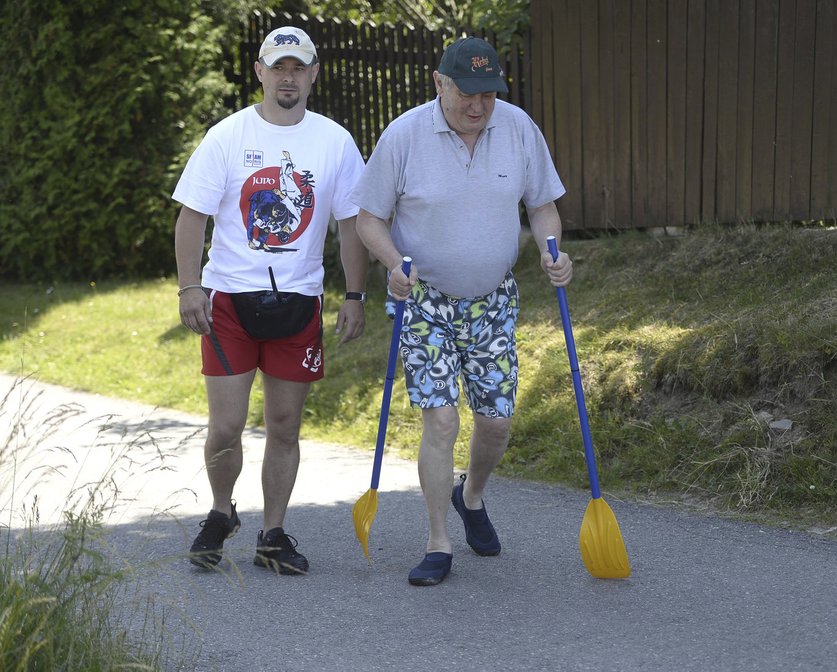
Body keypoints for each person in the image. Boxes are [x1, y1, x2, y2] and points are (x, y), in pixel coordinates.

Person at [353, 36, 573, 586]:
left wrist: (553, 251)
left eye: (489, 95)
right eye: (467, 94)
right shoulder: (404, 136)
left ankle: (469, 496)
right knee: (441, 419)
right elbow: (368, 220)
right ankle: (437, 542)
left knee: (496, 422)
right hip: (424, 301)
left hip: (494, 302)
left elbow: (543, 208)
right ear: (439, 83)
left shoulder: (519, 128)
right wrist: (393, 264)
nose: (478, 106)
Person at [172, 26, 370, 575]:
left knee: (285, 425)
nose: (288, 77)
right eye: (278, 67)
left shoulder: (334, 141)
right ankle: (220, 511)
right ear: (259, 71)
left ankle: (272, 534)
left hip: (299, 302)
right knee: (226, 426)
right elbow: (191, 217)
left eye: (298, 67)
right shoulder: (228, 136)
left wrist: (354, 294)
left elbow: (351, 224)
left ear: (313, 74)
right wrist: (191, 287)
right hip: (230, 302)